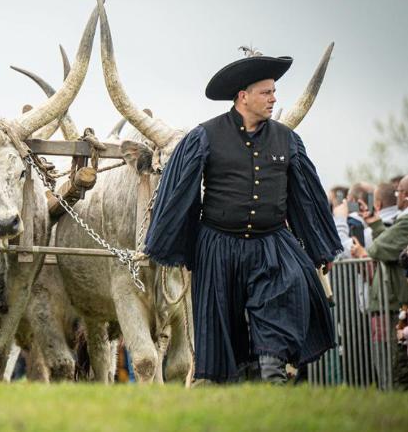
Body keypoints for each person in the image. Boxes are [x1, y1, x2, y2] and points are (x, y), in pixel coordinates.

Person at [143, 49, 342, 384]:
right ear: (242, 97)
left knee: (282, 298)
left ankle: (273, 371)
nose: (273, 99)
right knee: (223, 334)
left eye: (274, 92)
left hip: (272, 245)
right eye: (267, 93)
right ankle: (237, 386)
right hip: (219, 246)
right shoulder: (204, 137)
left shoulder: (287, 139)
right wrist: (178, 247)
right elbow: (180, 196)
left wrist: (319, 249)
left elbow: (305, 198)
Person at [354, 175, 408, 387]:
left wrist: (364, 251)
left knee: (394, 371)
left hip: (394, 303)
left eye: (400, 192)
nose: (398, 197)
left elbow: (377, 249)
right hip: (392, 302)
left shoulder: (405, 221)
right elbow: (387, 244)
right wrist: (376, 225)